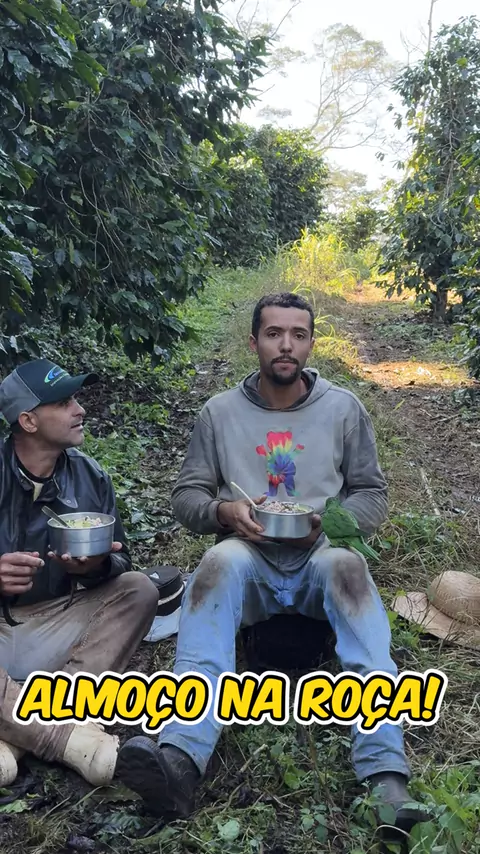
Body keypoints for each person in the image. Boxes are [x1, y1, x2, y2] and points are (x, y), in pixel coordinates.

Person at [116, 292, 429, 833]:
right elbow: (187, 497)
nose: (286, 345)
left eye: (298, 334)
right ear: (254, 341)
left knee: (350, 570)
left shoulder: (342, 409)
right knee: (216, 564)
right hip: (250, 556)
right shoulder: (219, 413)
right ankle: (181, 758)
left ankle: (385, 776)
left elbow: (371, 494)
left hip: (319, 554)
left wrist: (327, 522)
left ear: (311, 343)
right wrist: (223, 511)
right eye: (274, 333)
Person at [0, 358, 159, 789]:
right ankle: (68, 740)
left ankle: (16, 730)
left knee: (139, 589)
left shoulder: (90, 476)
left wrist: (97, 566)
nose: (80, 409)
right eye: (64, 402)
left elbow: (122, 560)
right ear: (28, 421)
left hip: (57, 623)